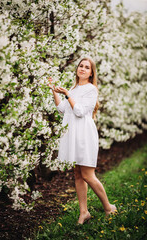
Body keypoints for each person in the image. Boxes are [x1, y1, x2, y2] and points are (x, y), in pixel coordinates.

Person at [48, 57, 117, 224]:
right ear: (77, 69)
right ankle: (84, 212)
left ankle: (109, 207)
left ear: (91, 72)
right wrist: (54, 92)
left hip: (84, 135)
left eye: (87, 67)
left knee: (88, 175)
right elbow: (62, 109)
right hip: (73, 134)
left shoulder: (91, 90)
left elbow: (79, 111)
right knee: (78, 174)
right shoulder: (74, 88)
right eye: (81, 66)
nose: (83, 69)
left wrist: (68, 94)